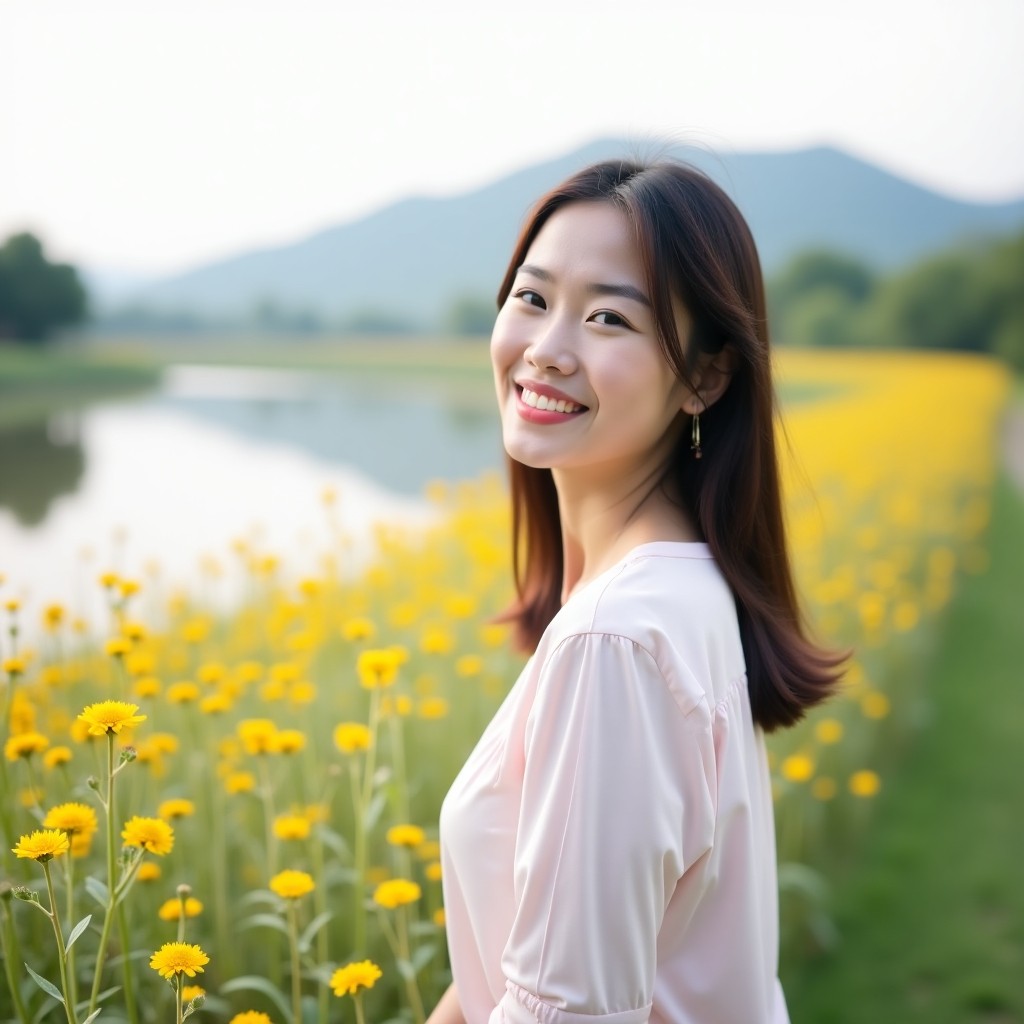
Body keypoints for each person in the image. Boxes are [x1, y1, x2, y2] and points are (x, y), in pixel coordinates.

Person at [430, 158, 844, 1024]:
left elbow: (564, 1013)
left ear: (706, 377)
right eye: (533, 299)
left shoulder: (615, 639)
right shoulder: (678, 591)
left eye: (609, 318)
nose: (547, 349)